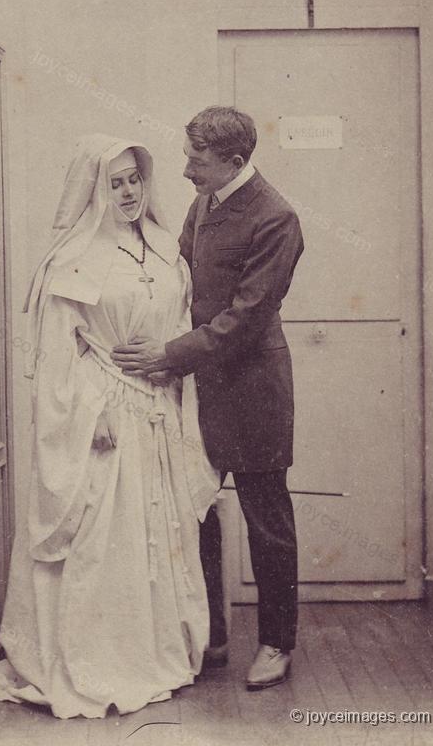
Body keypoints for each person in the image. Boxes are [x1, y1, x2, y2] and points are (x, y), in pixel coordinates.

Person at [0, 134, 219, 719]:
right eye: (115, 183)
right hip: (106, 412)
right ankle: (92, 661)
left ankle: (154, 654)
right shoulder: (73, 259)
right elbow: (59, 352)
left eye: (135, 179)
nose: (129, 192)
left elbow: (182, 320)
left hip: (159, 411)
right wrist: (91, 413)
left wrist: (169, 359)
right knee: (99, 542)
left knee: (156, 534)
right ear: (94, 189)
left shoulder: (164, 248)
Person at [112, 107, 304, 691]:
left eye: (197, 160)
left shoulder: (276, 218)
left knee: (266, 520)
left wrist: (169, 354)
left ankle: (277, 642)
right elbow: (178, 281)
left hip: (252, 391)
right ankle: (211, 634)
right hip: (199, 387)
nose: (186, 170)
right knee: (194, 509)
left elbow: (246, 318)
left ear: (234, 162)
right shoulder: (205, 202)